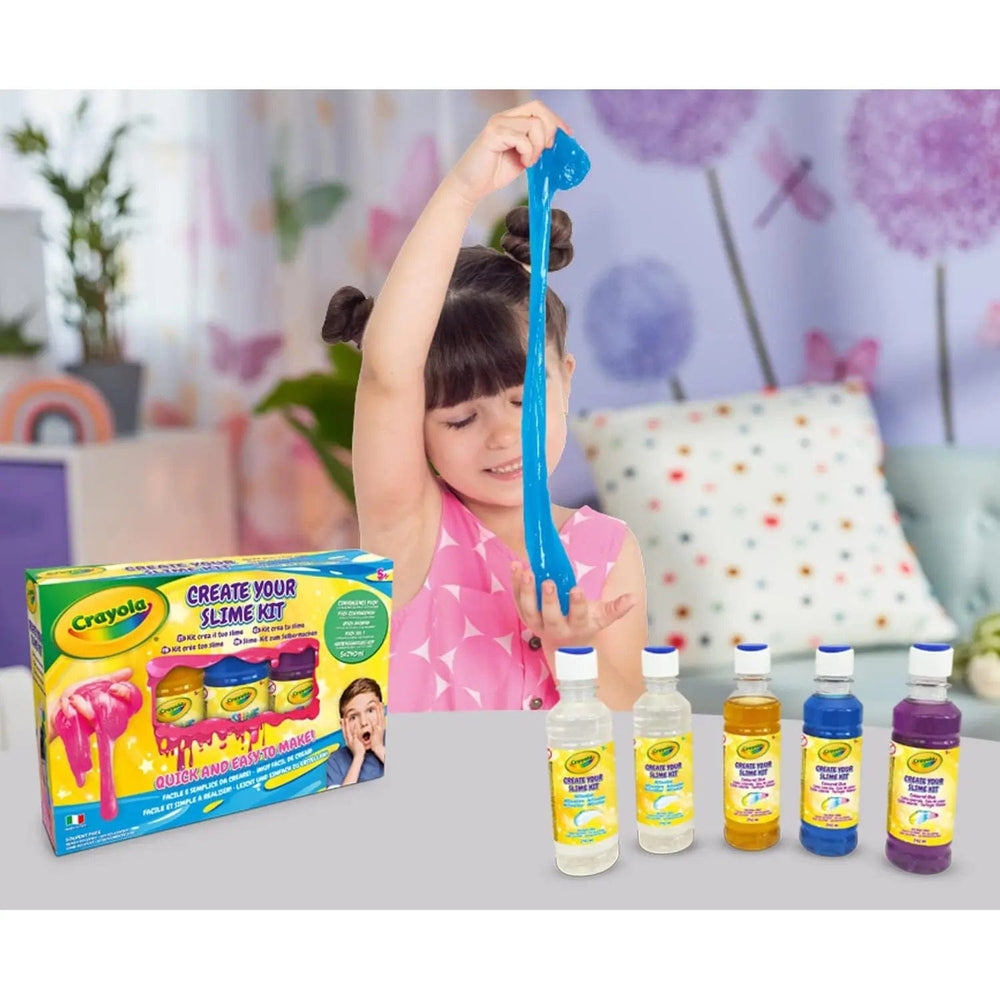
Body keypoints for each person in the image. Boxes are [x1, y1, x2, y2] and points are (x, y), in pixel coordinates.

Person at [323, 100, 647, 713]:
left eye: (524, 401)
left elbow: (633, 720)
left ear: (567, 380)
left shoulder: (608, 548)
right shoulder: (410, 528)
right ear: (416, 425)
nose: (504, 436)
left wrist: (568, 651)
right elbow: (390, 373)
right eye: (460, 418)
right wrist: (463, 190)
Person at [325, 678, 386, 787]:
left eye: (370, 710)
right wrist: (358, 757)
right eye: (353, 717)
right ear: (343, 725)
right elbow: (337, 802)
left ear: (381, 710)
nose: (364, 722)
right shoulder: (336, 761)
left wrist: (379, 748)